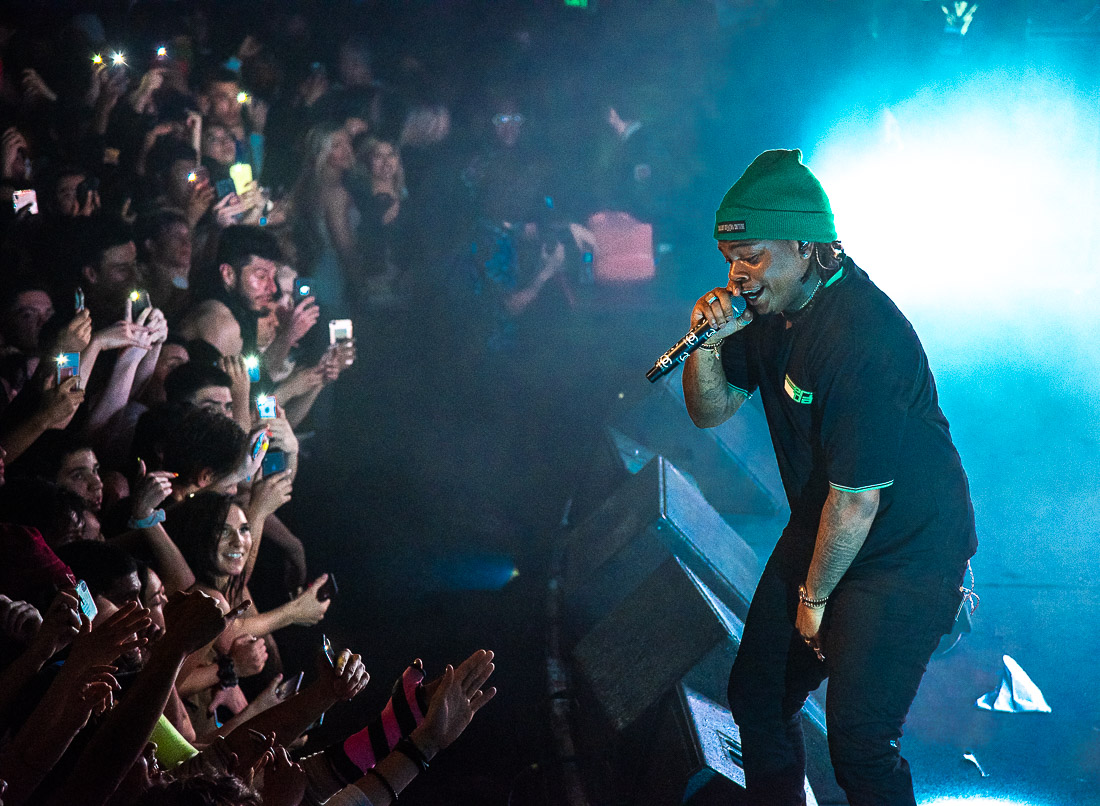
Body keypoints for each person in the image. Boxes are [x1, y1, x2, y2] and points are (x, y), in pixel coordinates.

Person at [682, 149, 977, 806]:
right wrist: (705, 347)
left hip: (906, 549)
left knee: (860, 741)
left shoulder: (864, 336)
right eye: (731, 257)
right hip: (829, 520)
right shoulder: (766, 313)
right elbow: (712, 410)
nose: (737, 273)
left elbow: (858, 501)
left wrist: (813, 607)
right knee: (756, 696)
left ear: (807, 246)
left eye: (752, 255)